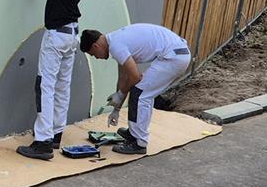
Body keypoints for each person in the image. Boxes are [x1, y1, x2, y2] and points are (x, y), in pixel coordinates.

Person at [16, 0, 98, 160]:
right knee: (62, 87)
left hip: (56, 37)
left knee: (45, 87)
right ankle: (56, 134)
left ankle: (42, 141)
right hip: (71, 36)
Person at [79, 24, 191, 154]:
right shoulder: (116, 40)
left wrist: (120, 94)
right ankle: (135, 133)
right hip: (177, 53)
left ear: (95, 46)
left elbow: (135, 77)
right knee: (143, 93)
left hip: (174, 58)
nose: (97, 58)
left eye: (93, 55)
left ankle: (139, 142)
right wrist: (116, 109)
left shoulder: (116, 46)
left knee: (140, 94)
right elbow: (123, 78)